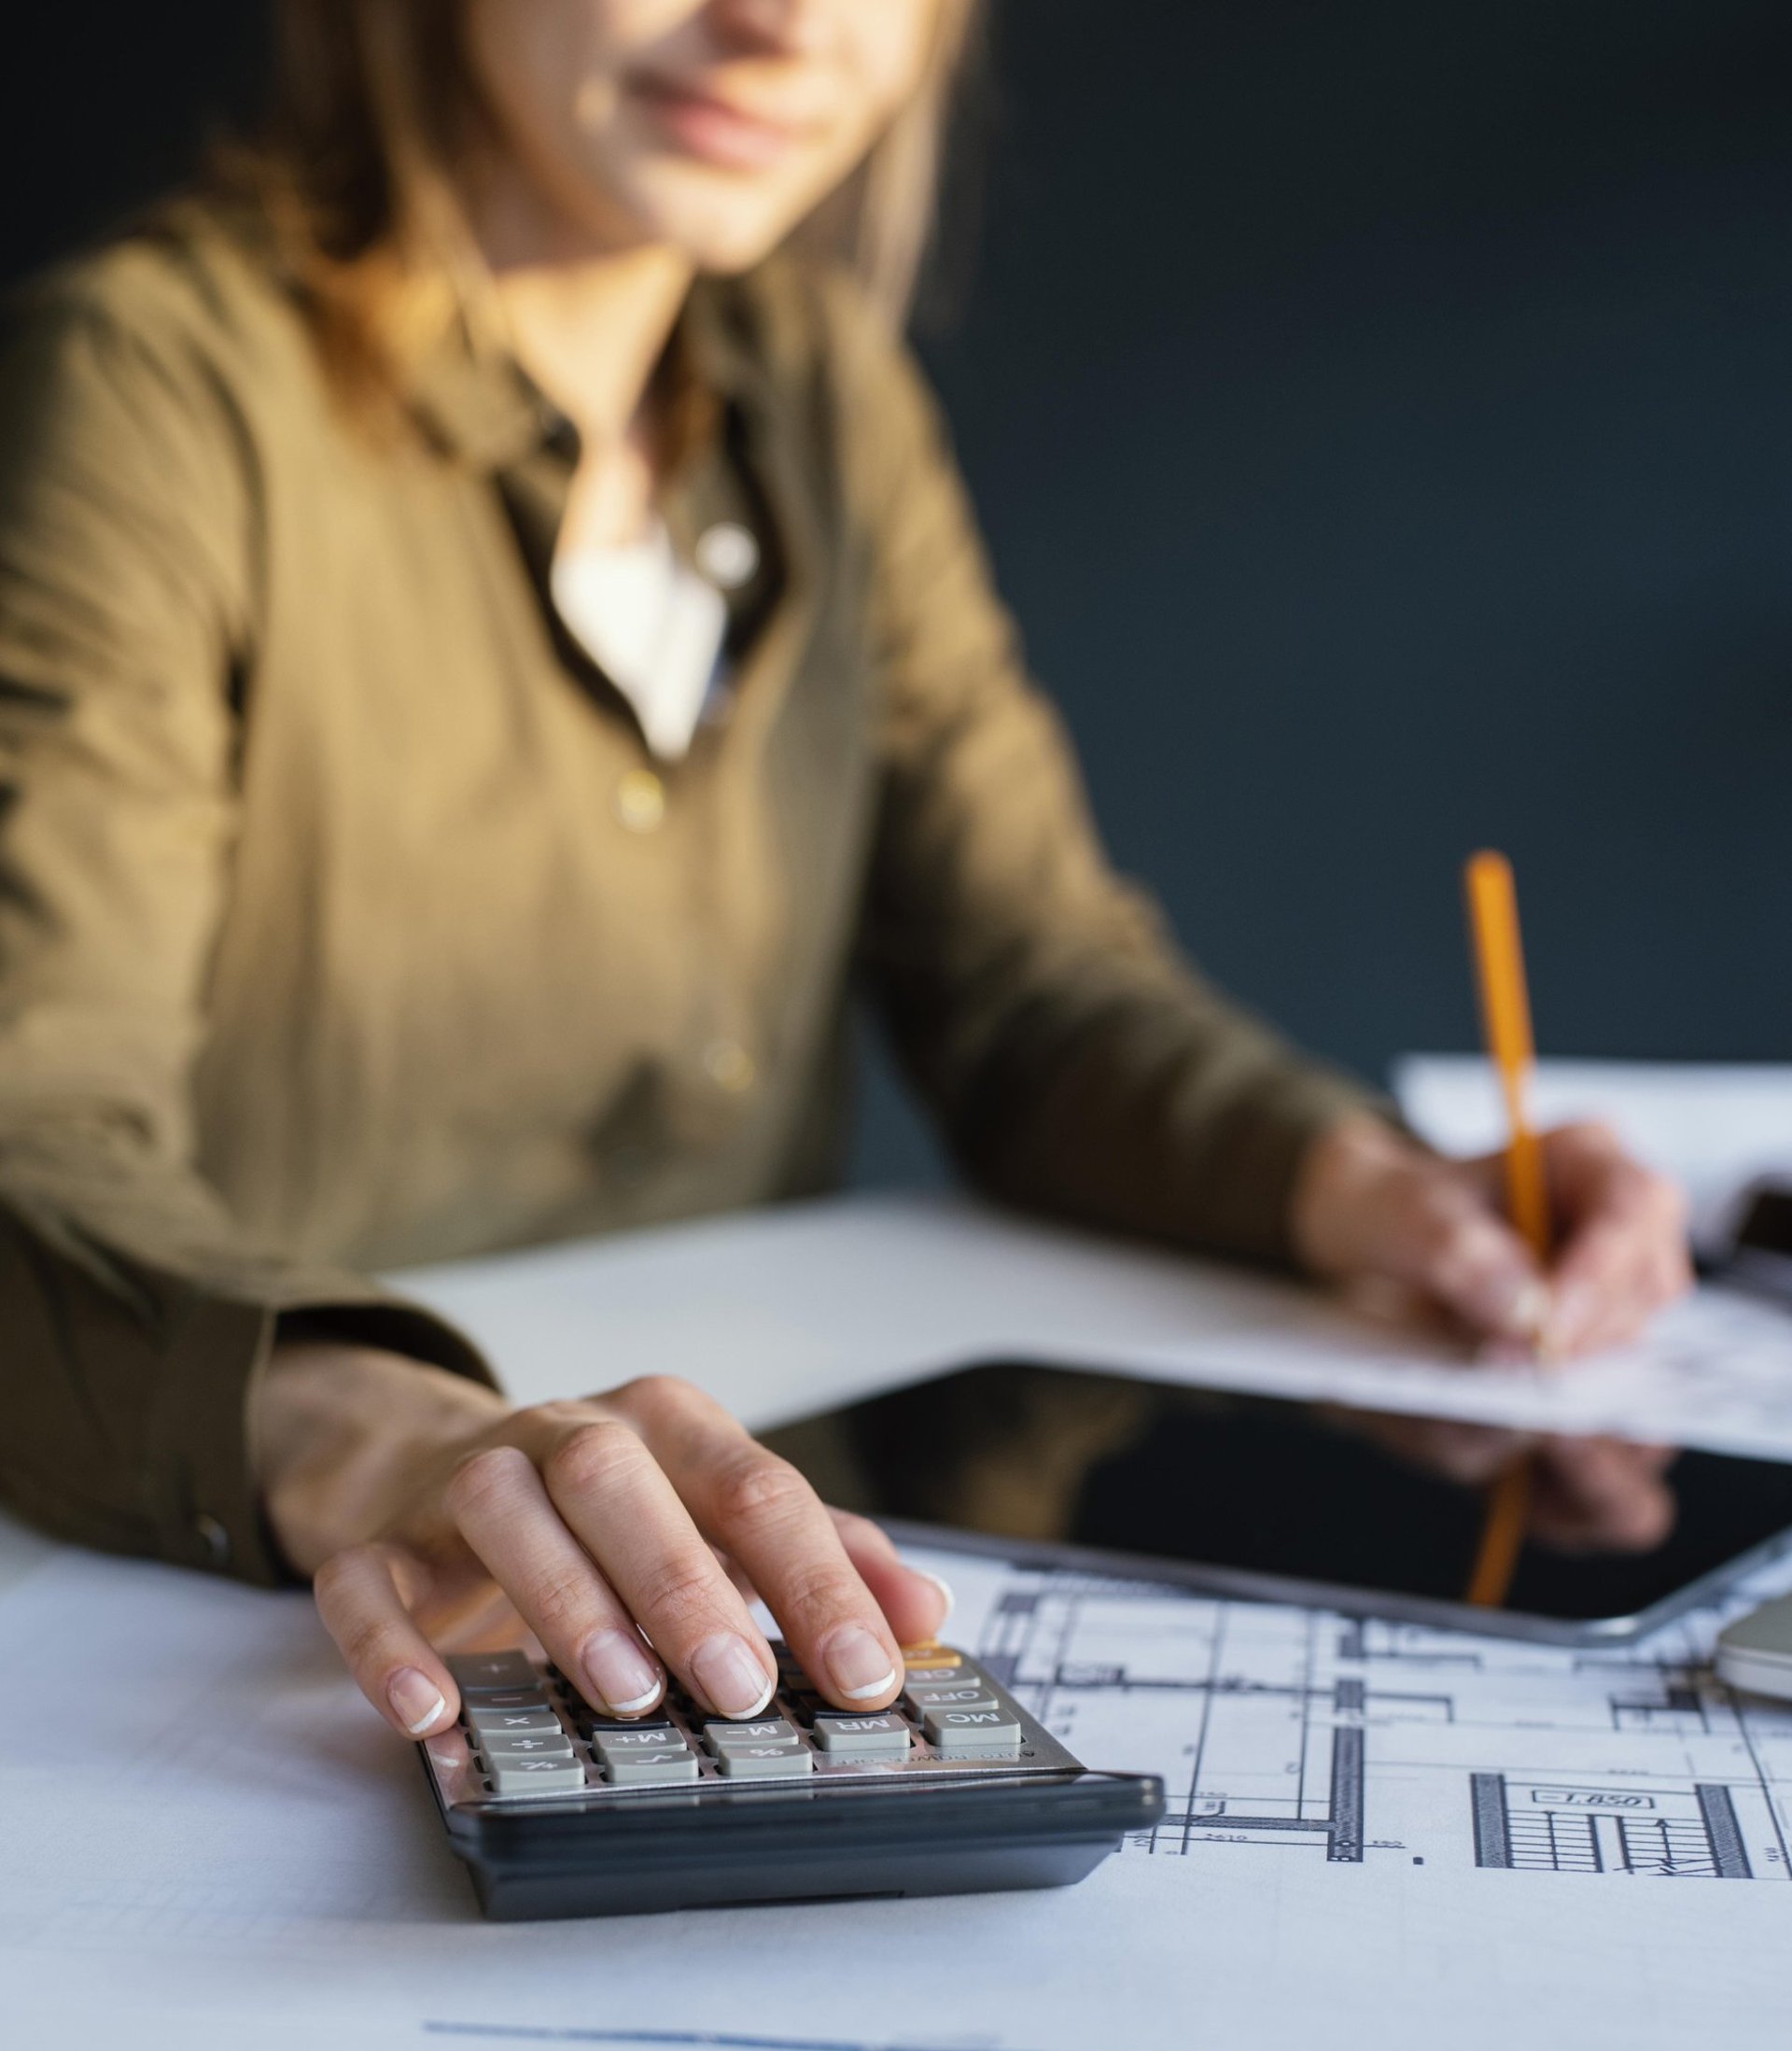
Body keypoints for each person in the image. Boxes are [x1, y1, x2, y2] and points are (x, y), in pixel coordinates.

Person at [0, 0, 1688, 1741]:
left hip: (748, 1567)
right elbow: (28, 1124)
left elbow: (1032, 988)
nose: (783, 25)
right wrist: (373, 1424)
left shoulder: (827, 401)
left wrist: (1369, 1187)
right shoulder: (144, 400)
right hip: (253, 1630)